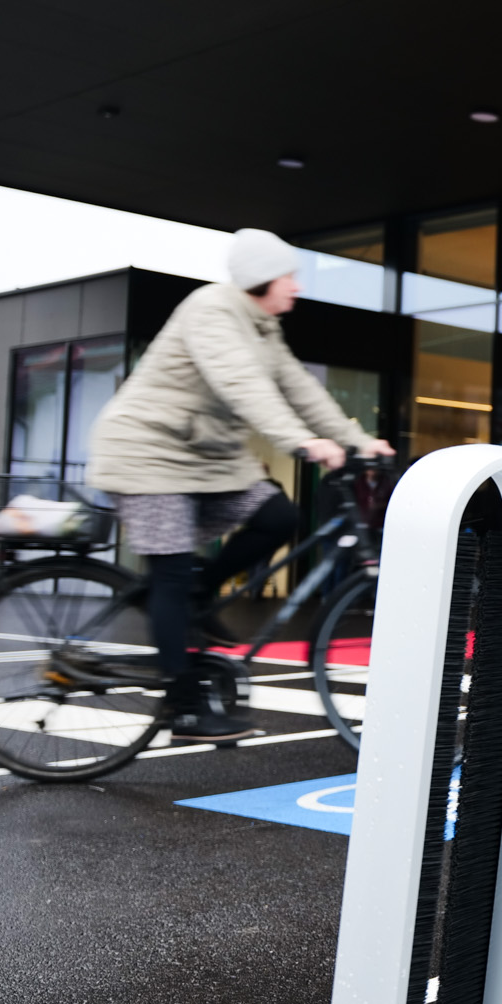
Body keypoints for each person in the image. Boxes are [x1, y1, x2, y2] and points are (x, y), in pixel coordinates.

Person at [87, 229, 394, 740]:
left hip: (205, 456)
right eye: (289, 276)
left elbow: (301, 389)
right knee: (170, 575)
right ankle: (184, 709)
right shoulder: (212, 310)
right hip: (148, 453)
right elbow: (241, 384)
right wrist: (301, 441)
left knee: (279, 516)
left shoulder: (264, 328)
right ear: (262, 278)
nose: (296, 287)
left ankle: (200, 589)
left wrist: (357, 440)